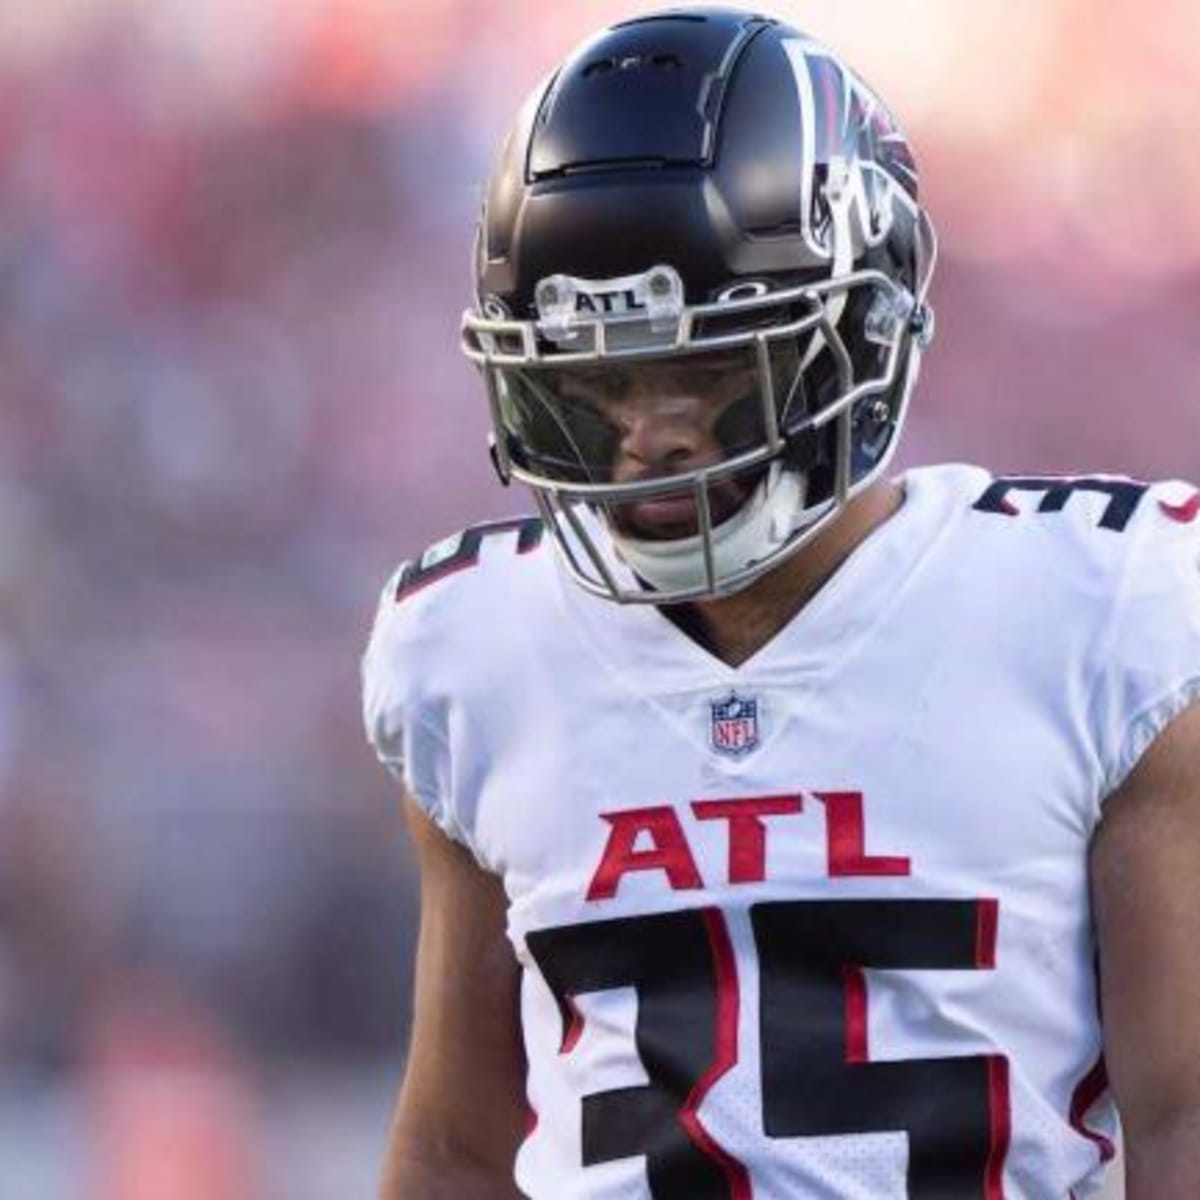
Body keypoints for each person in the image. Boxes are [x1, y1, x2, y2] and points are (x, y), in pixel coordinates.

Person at [362, 9, 1200, 1199]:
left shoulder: (1099, 613)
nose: (646, 436)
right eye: (595, 384)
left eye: (706, 371)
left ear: (861, 330)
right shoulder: (470, 648)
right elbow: (455, 1144)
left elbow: (1187, 1120)